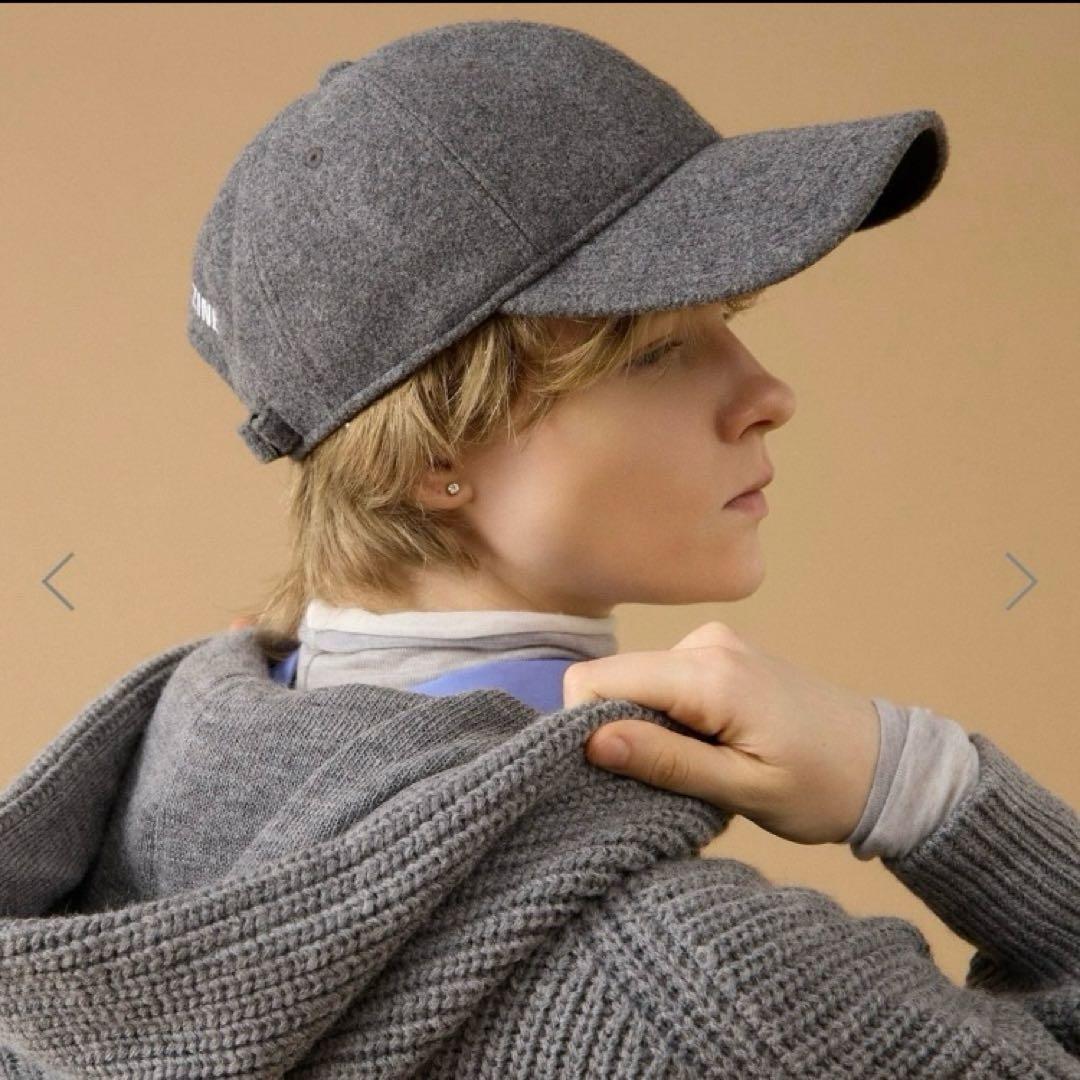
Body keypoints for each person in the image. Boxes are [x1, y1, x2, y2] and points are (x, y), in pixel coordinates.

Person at [1, 19, 1077, 1078]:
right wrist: (925, 786)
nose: (767, 393)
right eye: (656, 351)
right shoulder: (700, 992)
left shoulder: (127, 845)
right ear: (435, 452)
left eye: (730, 316)